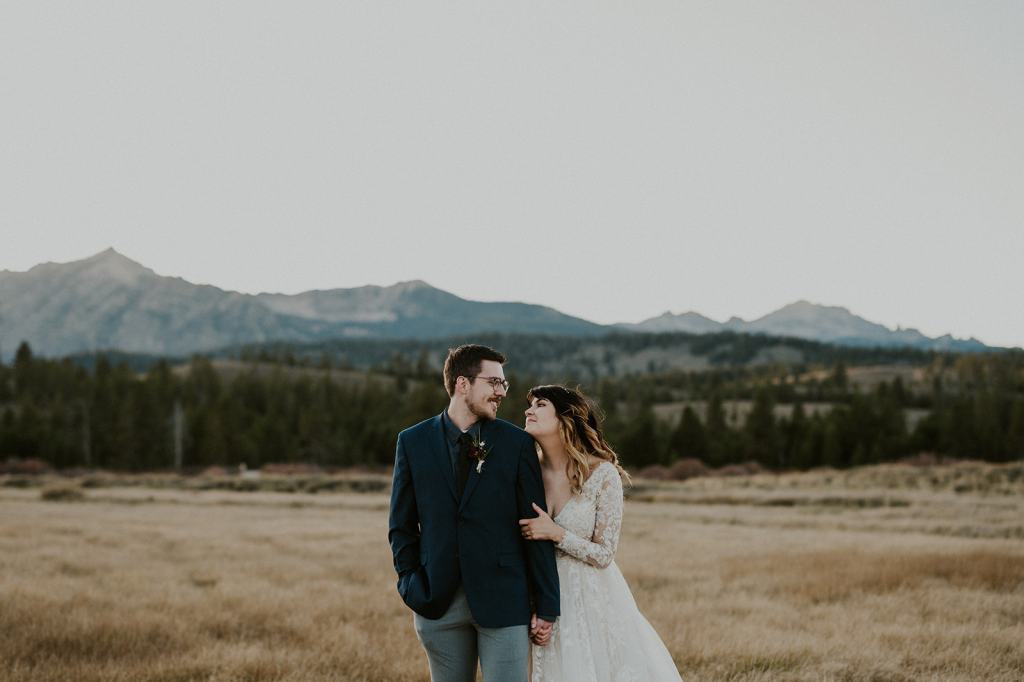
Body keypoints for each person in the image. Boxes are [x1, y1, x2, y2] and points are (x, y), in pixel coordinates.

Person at [388, 344, 560, 682]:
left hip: (505, 602)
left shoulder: (518, 444)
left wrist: (547, 604)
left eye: (503, 385)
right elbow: (401, 525)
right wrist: (411, 583)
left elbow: (534, 525)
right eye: (493, 383)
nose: (501, 393)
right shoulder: (412, 442)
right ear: (462, 384)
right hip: (438, 601)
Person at [519, 384, 683, 681]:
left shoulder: (602, 474)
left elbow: (604, 554)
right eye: (530, 405)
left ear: (566, 418)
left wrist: (557, 534)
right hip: (538, 594)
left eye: (540, 404)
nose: (529, 410)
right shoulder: (526, 471)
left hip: (590, 600)